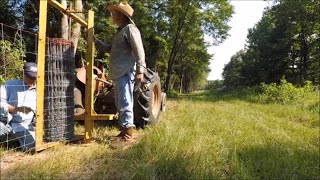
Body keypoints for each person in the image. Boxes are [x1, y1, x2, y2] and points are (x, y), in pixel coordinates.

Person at [94, 2, 146, 144]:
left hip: (126, 71)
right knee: (120, 102)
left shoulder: (130, 29)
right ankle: (124, 130)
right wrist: (95, 41)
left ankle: (127, 135)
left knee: (125, 101)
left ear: (122, 15)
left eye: (114, 13)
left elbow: (139, 50)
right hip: (118, 72)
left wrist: (140, 70)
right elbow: (110, 49)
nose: (112, 15)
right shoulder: (120, 32)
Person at [0, 62, 37, 151]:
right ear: (23, 73)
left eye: (34, 77)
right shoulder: (9, 85)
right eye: (28, 76)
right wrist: (16, 109)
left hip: (25, 127)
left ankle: (14, 141)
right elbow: (1, 103)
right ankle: (10, 140)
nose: (31, 79)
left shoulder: (39, 90)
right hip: (6, 123)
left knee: (31, 148)